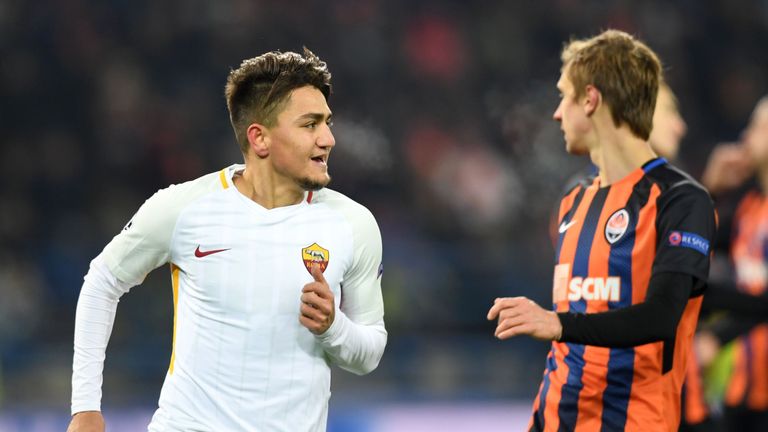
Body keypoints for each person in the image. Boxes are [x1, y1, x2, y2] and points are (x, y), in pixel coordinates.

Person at [67, 48, 387, 432]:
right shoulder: (184, 208)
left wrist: (333, 326)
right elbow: (103, 281)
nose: (329, 139)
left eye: (327, 123)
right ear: (260, 139)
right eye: (310, 124)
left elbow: (370, 351)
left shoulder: (353, 225)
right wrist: (85, 408)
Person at [487, 30, 716, 431]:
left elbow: (663, 317)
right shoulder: (571, 200)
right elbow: (574, 340)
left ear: (590, 99)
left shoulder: (681, 200)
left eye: (564, 96)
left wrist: (558, 324)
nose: (557, 113)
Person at [694, 96, 768, 431]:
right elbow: (689, 256)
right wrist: (710, 188)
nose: (746, 136)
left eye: (758, 127)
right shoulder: (747, 208)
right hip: (743, 390)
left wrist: (716, 335)